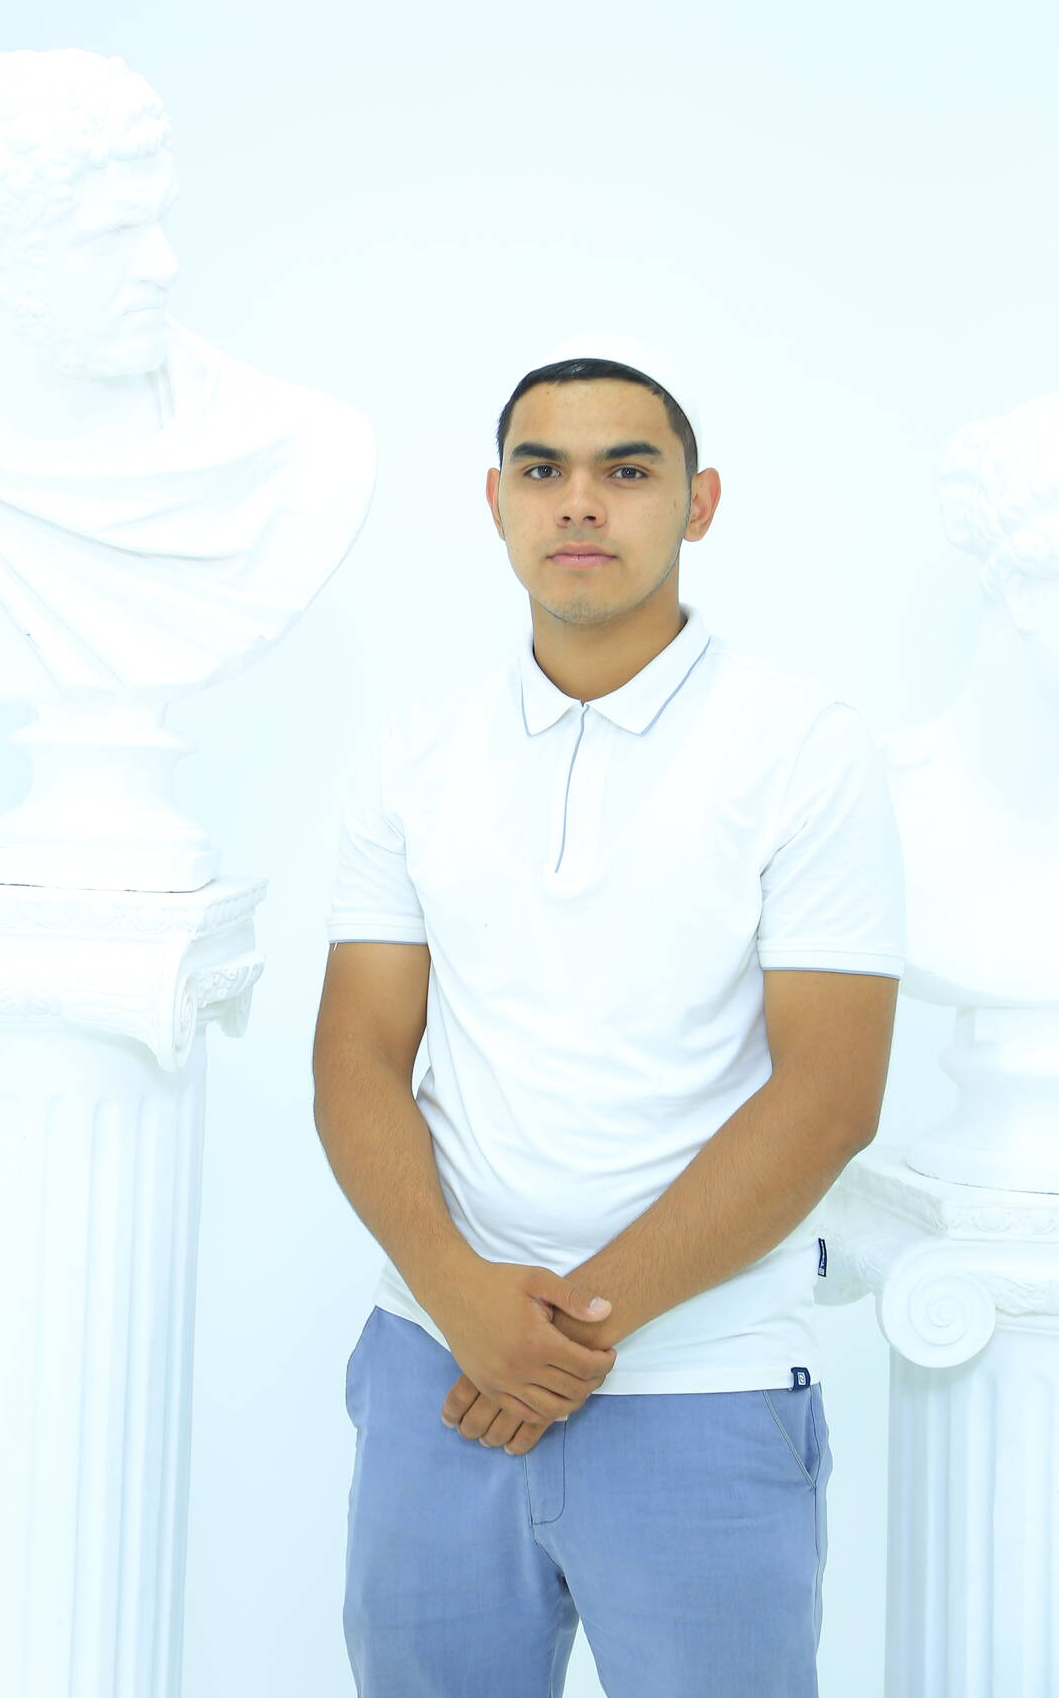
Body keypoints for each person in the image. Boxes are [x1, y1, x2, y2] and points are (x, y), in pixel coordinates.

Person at [311, 339, 905, 1696]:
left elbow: (830, 1096)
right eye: (544, 470)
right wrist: (462, 1303)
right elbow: (355, 1058)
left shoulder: (802, 747)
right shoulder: (414, 750)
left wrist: (553, 1338)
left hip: (702, 1385)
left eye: (626, 472)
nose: (579, 501)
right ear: (496, 502)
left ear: (699, 503)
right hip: (435, 1377)